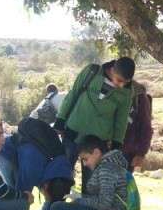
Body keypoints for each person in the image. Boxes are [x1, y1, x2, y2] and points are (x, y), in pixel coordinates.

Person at [55, 57, 136, 189]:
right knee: (61, 178)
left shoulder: (127, 92)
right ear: (112, 69)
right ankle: (55, 207)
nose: (121, 85)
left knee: (92, 186)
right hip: (73, 133)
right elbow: (73, 94)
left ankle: (87, 209)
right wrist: (60, 120)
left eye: (125, 82)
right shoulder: (91, 72)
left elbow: (121, 120)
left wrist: (116, 143)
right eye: (119, 80)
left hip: (97, 144)